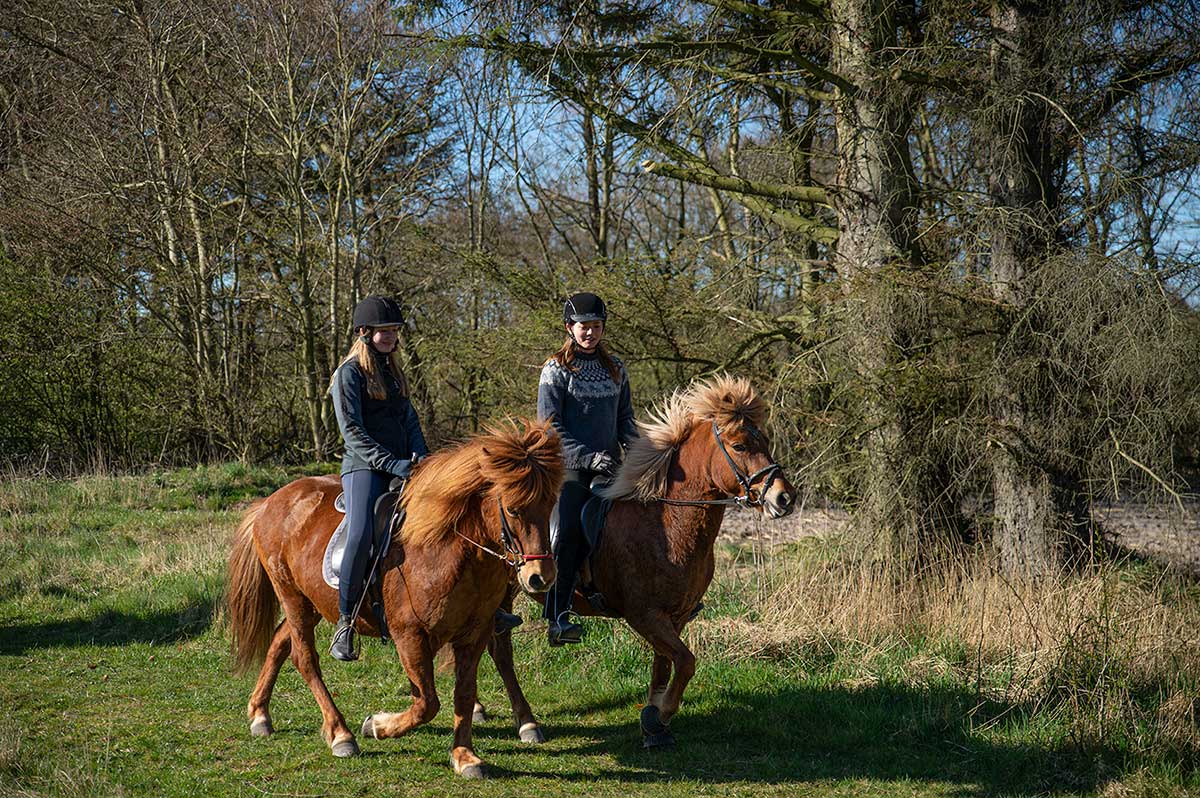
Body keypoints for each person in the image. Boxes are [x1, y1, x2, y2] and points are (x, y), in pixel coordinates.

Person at [328, 295, 428, 662]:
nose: (389, 337)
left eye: (394, 331)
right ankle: (346, 621)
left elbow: (410, 421)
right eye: (383, 331)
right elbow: (352, 431)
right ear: (365, 332)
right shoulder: (349, 373)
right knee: (361, 532)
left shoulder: (394, 372)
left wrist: (423, 458)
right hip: (364, 467)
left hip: (404, 464)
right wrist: (391, 464)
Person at [537, 291, 638, 646]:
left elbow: (625, 419)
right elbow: (550, 426)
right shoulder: (556, 369)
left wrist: (642, 452)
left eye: (596, 326)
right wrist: (587, 457)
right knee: (570, 530)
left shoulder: (616, 369)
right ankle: (558, 614)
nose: (590, 333)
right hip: (571, 469)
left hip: (612, 465)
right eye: (583, 327)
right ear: (569, 328)